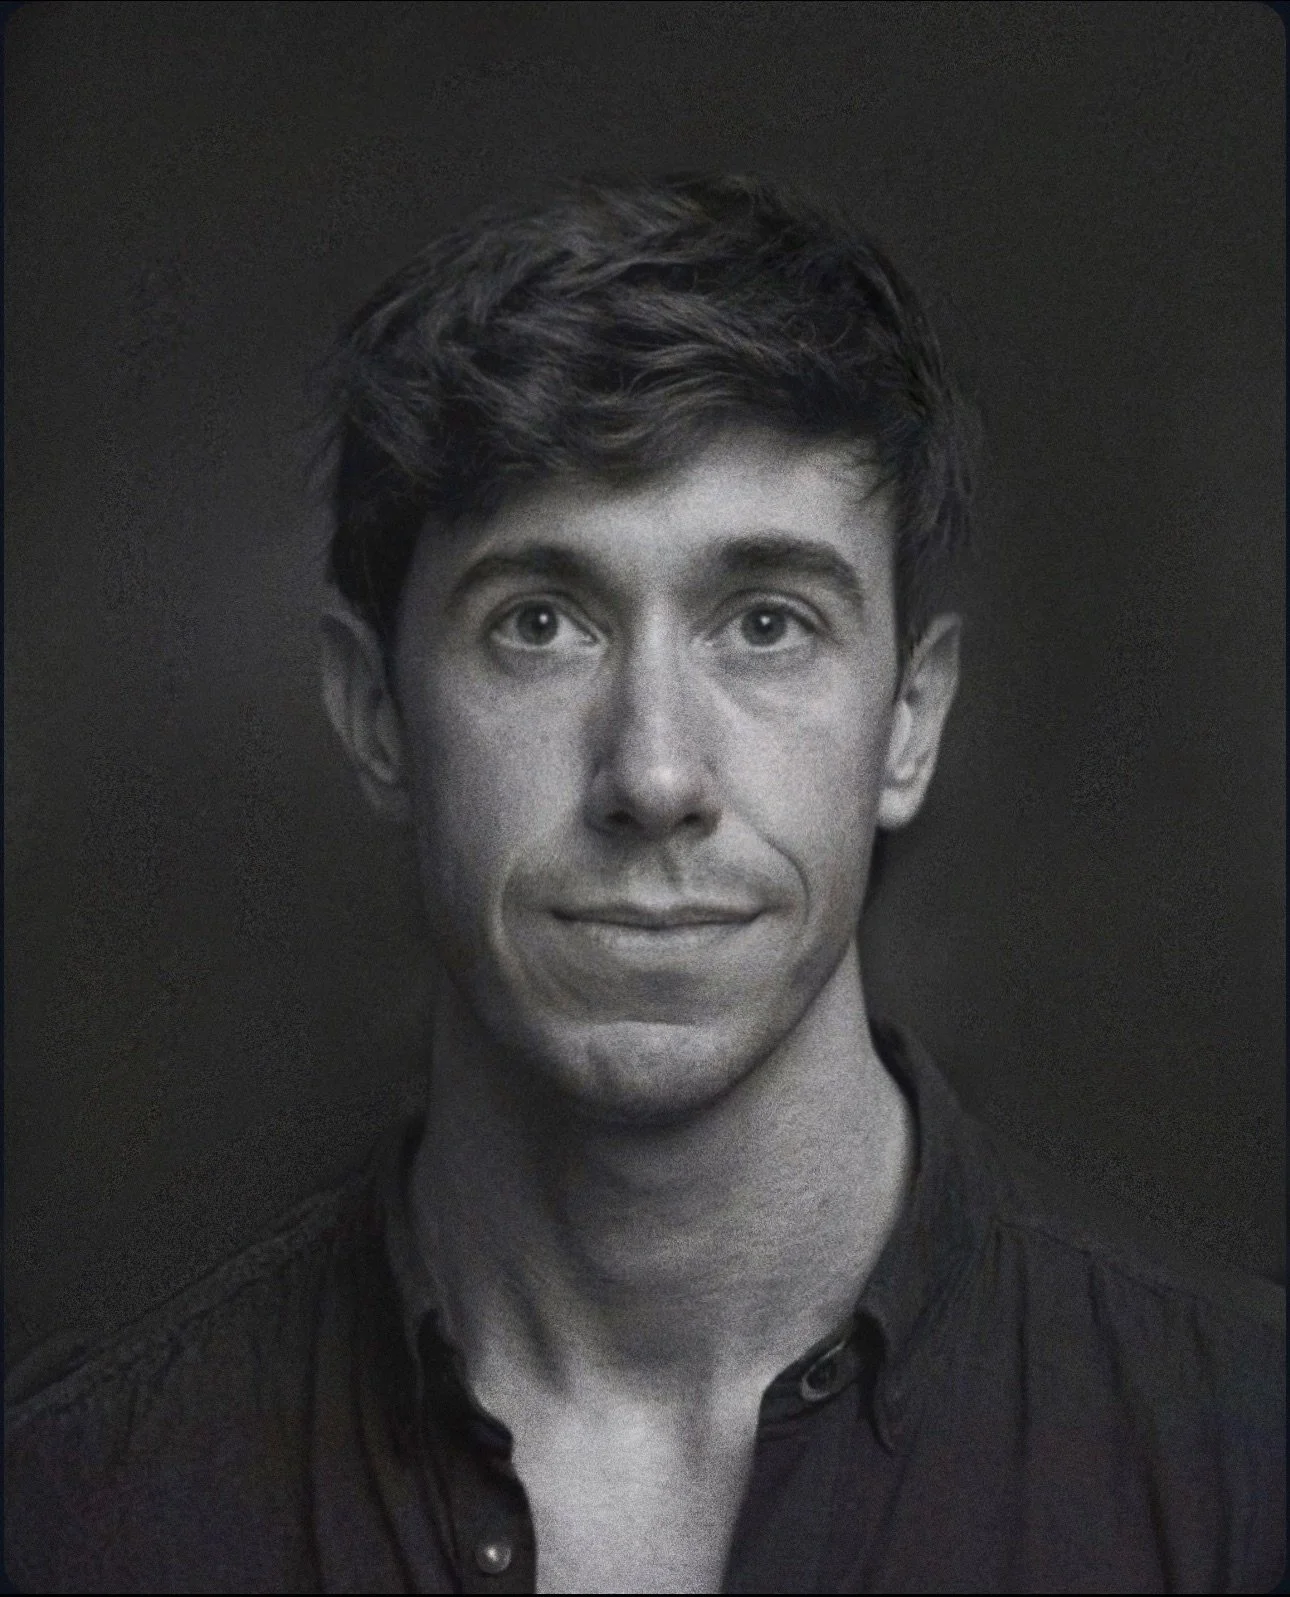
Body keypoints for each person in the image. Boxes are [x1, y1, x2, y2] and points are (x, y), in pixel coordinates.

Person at [5, 174, 1283, 1595]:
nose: (655, 774)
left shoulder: (1246, 1478)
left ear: (907, 724)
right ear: (375, 715)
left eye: (764, 624)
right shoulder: (77, 1518)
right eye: (539, 624)